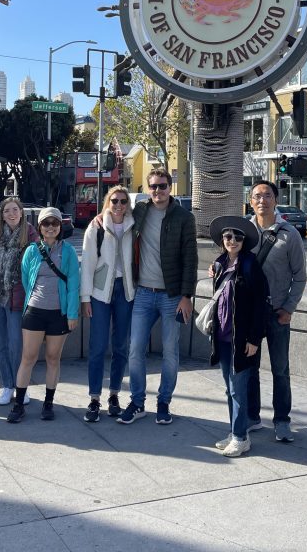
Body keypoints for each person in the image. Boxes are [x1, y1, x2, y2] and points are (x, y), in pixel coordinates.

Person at [118, 167, 197, 425]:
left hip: (171, 296)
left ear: (170, 187)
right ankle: (138, 402)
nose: (158, 191)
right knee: (135, 349)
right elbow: (115, 213)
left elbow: (190, 259)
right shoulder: (140, 211)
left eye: (162, 186)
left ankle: (163, 402)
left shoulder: (184, 217)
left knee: (170, 352)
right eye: (153, 186)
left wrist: (187, 295)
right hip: (143, 293)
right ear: (147, 188)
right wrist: (99, 219)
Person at [6, 207, 80, 423]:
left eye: (54, 223)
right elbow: (26, 278)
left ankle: (48, 403)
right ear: (39, 227)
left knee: (53, 358)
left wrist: (72, 314)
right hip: (35, 311)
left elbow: (74, 284)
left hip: (59, 312)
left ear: (60, 226)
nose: (50, 227)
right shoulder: (31, 250)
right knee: (27, 358)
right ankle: (18, 405)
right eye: (46, 223)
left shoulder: (68, 252)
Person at [246, 180, 306, 443]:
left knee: (281, 369)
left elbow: (300, 277)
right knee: (250, 368)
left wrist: (289, 309)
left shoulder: (288, 233)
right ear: (250, 201)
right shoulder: (242, 231)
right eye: (257, 196)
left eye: (267, 195)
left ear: (275, 200)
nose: (262, 200)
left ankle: (282, 419)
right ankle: (251, 417)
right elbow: (229, 259)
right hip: (249, 314)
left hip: (277, 312)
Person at [208, 216, 269, 457]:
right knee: (229, 388)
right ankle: (235, 431)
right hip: (222, 336)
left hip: (241, 338)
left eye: (237, 237)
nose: (232, 241)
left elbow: (260, 304)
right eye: (227, 237)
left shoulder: (250, 265)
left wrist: (254, 339)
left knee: (238, 388)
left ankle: (241, 437)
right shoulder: (220, 263)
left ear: (244, 241)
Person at [80, 185, 136, 422]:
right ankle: (94, 398)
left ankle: (114, 394)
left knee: (121, 347)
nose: (119, 205)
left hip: (126, 291)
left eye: (123, 201)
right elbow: (88, 263)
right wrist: (85, 297)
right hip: (100, 293)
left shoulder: (135, 224)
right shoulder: (96, 226)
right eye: (114, 201)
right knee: (98, 347)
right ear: (107, 202)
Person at [0, 196, 39, 406]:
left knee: (17, 344)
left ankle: (21, 386)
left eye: (15, 210)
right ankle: (7, 385)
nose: (11, 214)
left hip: (18, 295)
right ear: (2, 215)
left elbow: (36, 265)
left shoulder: (30, 233)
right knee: (0, 343)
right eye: (6, 211)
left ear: (22, 212)